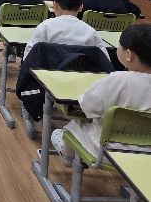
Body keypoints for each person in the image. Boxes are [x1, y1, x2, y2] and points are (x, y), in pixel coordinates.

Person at [51, 24, 151, 165]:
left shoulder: (118, 80)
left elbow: (86, 105)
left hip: (107, 152)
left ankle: (69, 158)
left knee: (75, 124)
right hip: (147, 154)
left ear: (128, 55)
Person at [23, 0, 110, 60]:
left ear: (55, 6)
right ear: (81, 7)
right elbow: (104, 60)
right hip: (80, 73)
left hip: (47, 72)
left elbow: (28, 56)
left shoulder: (44, 27)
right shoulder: (90, 31)